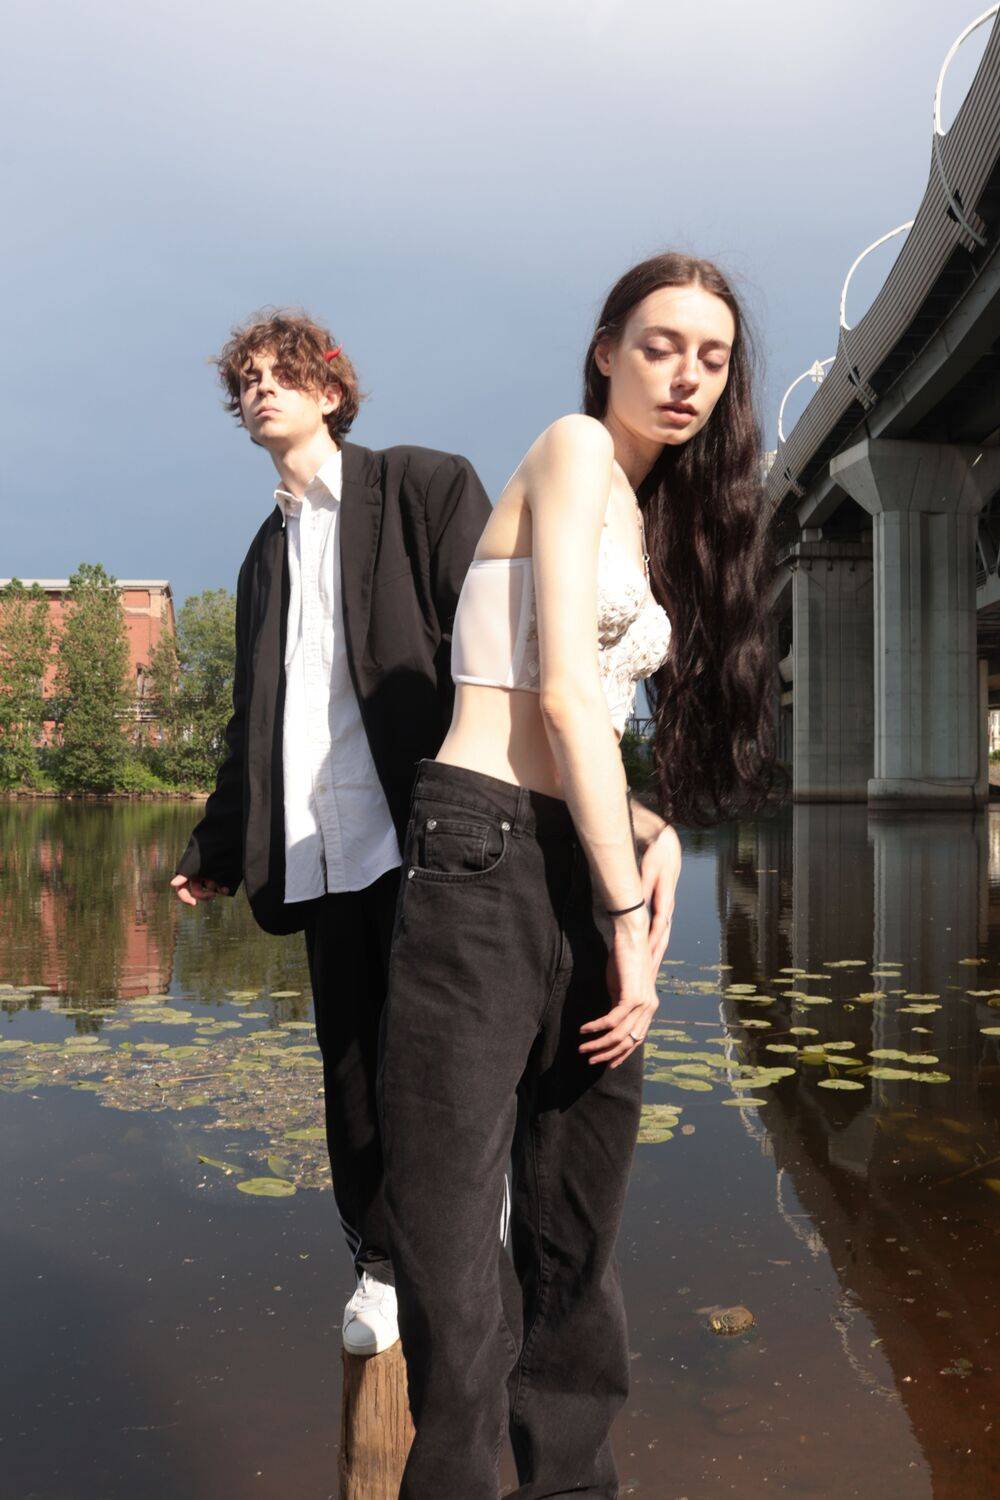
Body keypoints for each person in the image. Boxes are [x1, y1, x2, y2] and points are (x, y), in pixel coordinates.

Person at [377, 252, 783, 1498]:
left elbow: (588, 730)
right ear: (605, 350)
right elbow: (553, 694)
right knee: (454, 1247)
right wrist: (622, 909)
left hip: (570, 846)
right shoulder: (571, 449)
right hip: (478, 853)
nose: (686, 376)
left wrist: (645, 834)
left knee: (576, 1231)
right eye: (660, 345)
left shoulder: (647, 511)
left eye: (712, 358)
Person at [169, 309, 492, 1356]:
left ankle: (464, 1248)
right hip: (320, 851)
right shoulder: (262, 558)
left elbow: (499, 646)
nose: (262, 388)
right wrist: (219, 845)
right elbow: (254, 721)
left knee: (441, 1064)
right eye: (248, 380)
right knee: (350, 1073)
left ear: (332, 391)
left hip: (429, 840)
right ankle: (380, 1269)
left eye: (283, 373)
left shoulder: (423, 487)